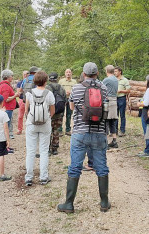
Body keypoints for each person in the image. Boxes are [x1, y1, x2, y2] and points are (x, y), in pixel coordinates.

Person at [58, 62, 110, 213]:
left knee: (75, 167)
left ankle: (68, 204)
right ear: (97, 73)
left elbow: (72, 107)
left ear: (84, 73)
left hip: (80, 132)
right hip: (99, 132)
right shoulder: (104, 88)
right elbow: (106, 111)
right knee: (101, 167)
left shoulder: (77, 87)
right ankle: (104, 203)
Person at [24, 71, 55, 186]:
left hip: (31, 124)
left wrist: (31, 119)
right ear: (45, 81)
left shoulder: (29, 93)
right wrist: (46, 118)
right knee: (43, 150)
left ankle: (29, 177)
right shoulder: (49, 93)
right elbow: (52, 110)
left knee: (31, 151)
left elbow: (26, 110)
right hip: (45, 125)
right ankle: (43, 177)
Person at [47, 72, 66, 155]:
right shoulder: (62, 88)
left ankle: (47, 148)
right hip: (59, 113)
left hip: (49, 114)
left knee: (48, 131)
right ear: (57, 78)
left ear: (49, 79)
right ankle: (55, 148)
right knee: (56, 130)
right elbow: (65, 100)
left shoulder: (47, 88)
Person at [137, 75, 149, 157]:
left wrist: (139, 104)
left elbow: (146, 103)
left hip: (146, 113)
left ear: (148, 81)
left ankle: (147, 151)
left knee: (147, 132)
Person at [0, 69, 20, 140]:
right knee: (6, 124)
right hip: (7, 108)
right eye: (11, 76)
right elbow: (6, 99)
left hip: (7, 108)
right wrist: (15, 95)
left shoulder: (6, 85)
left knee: (8, 123)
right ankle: (6, 139)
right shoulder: (5, 86)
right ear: (7, 77)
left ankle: (7, 137)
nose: (12, 77)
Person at [103, 65, 119, 149]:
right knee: (112, 122)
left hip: (107, 102)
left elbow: (101, 88)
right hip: (114, 101)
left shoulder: (106, 79)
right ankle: (114, 141)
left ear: (107, 71)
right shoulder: (116, 79)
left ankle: (105, 143)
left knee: (105, 122)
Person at [58, 69, 77, 136]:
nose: (68, 73)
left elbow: (76, 90)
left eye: (69, 72)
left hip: (70, 100)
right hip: (62, 99)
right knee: (61, 115)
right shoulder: (61, 81)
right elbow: (58, 90)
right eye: (67, 72)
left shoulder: (74, 82)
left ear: (71, 73)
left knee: (69, 115)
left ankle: (68, 130)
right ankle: (60, 130)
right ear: (65, 73)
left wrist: (71, 92)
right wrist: (63, 93)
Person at [114, 66, 130, 137]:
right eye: (114, 71)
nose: (115, 73)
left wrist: (121, 91)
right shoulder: (113, 80)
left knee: (122, 115)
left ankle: (122, 131)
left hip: (122, 98)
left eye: (116, 71)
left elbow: (128, 90)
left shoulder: (125, 80)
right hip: (115, 98)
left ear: (120, 72)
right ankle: (115, 130)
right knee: (115, 115)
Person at [16, 70, 29, 135]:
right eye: (24, 74)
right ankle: (19, 129)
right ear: (22, 75)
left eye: (27, 74)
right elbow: (19, 92)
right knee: (20, 116)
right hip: (21, 100)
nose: (25, 75)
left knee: (29, 116)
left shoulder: (31, 82)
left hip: (29, 100)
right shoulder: (20, 82)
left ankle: (29, 129)